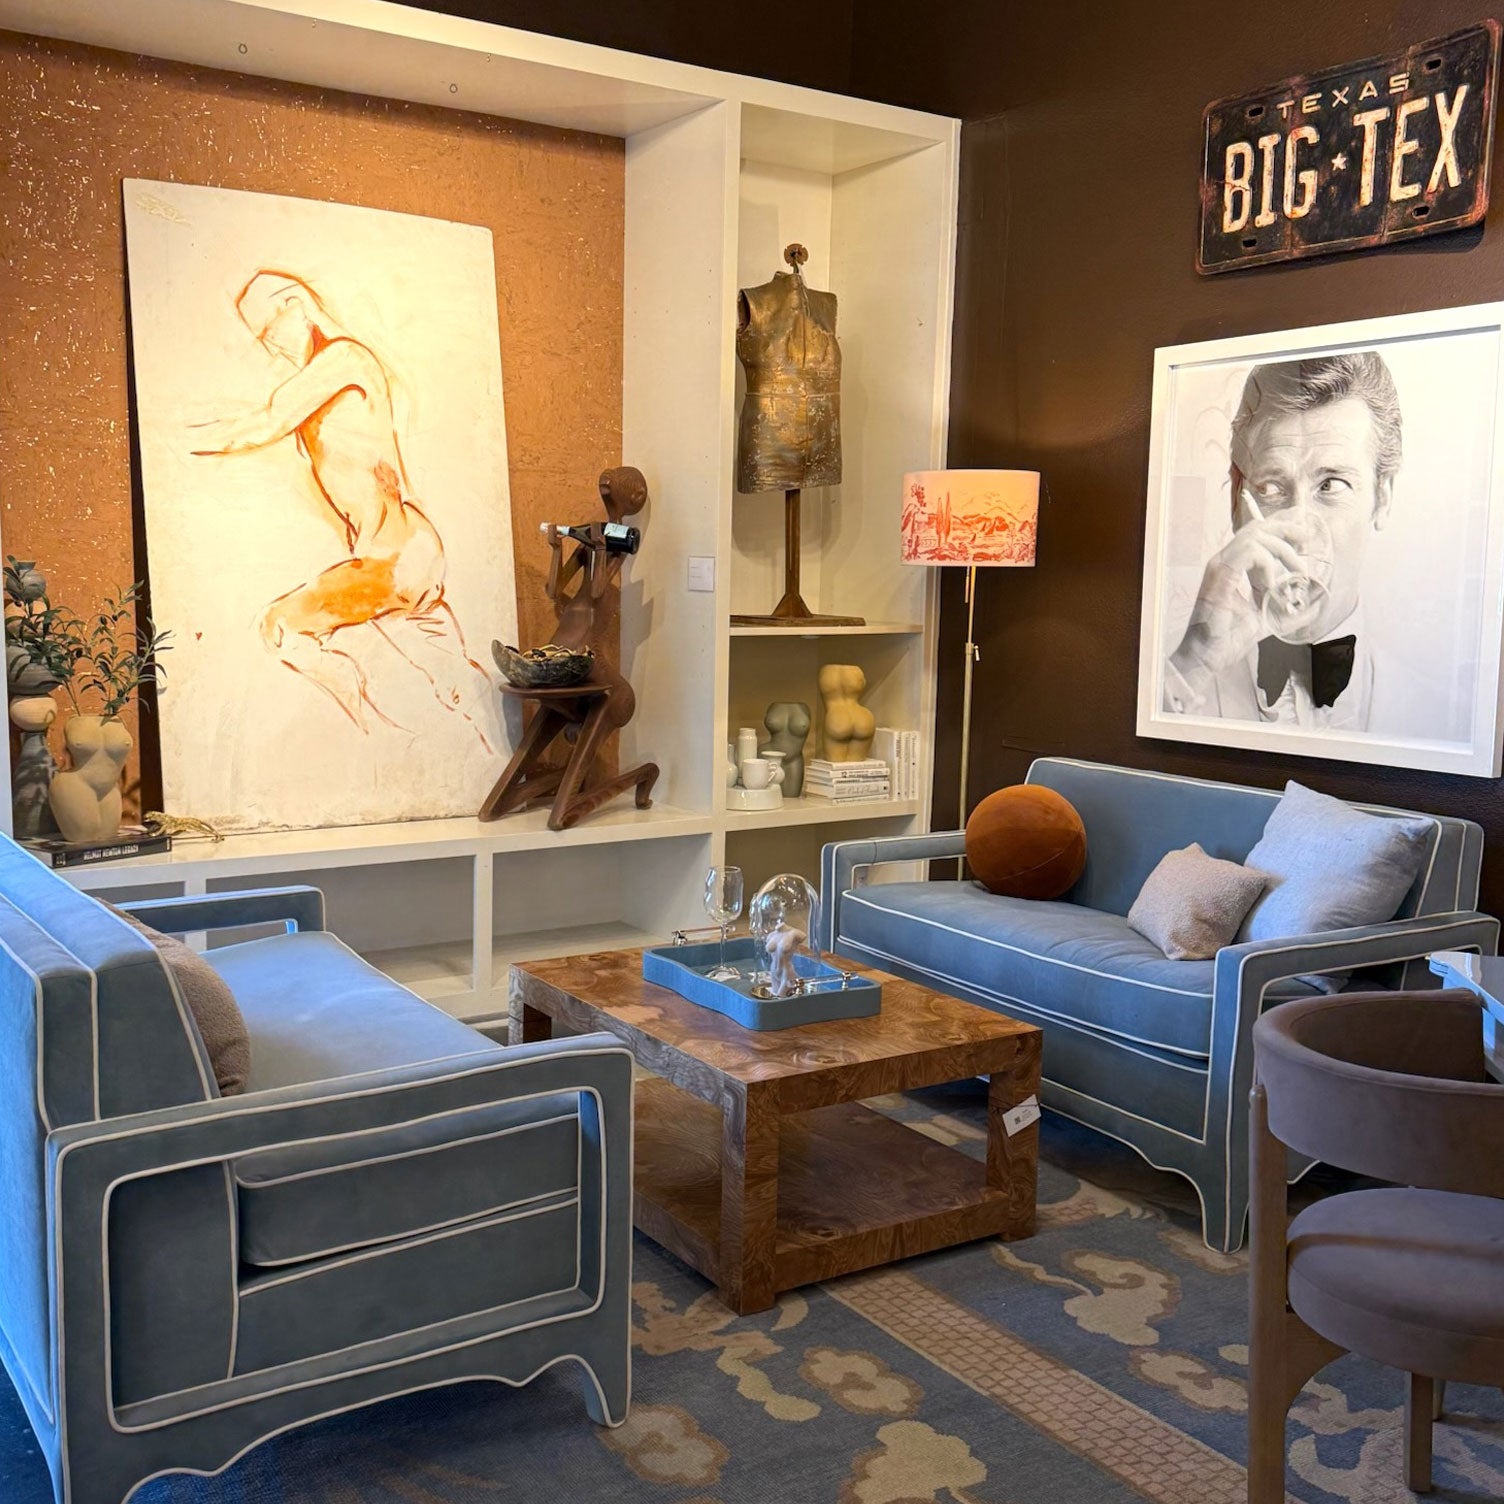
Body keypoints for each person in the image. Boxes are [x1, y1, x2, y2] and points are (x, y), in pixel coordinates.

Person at [191, 269, 496, 750]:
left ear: (295, 304)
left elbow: (267, 421)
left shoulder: (343, 358)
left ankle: (382, 739)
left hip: (393, 559)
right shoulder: (327, 377)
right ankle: (489, 755)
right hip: (407, 552)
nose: (271, 347)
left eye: (269, 330)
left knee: (280, 627)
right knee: (455, 680)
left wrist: (175, 438)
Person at [1164, 351, 1405, 734]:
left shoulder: (1432, 706)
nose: (1299, 532)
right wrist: (1193, 663)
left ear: (1383, 496)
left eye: (1331, 485)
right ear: (1236, 500)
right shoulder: (1168, 682)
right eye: (1272, 488)